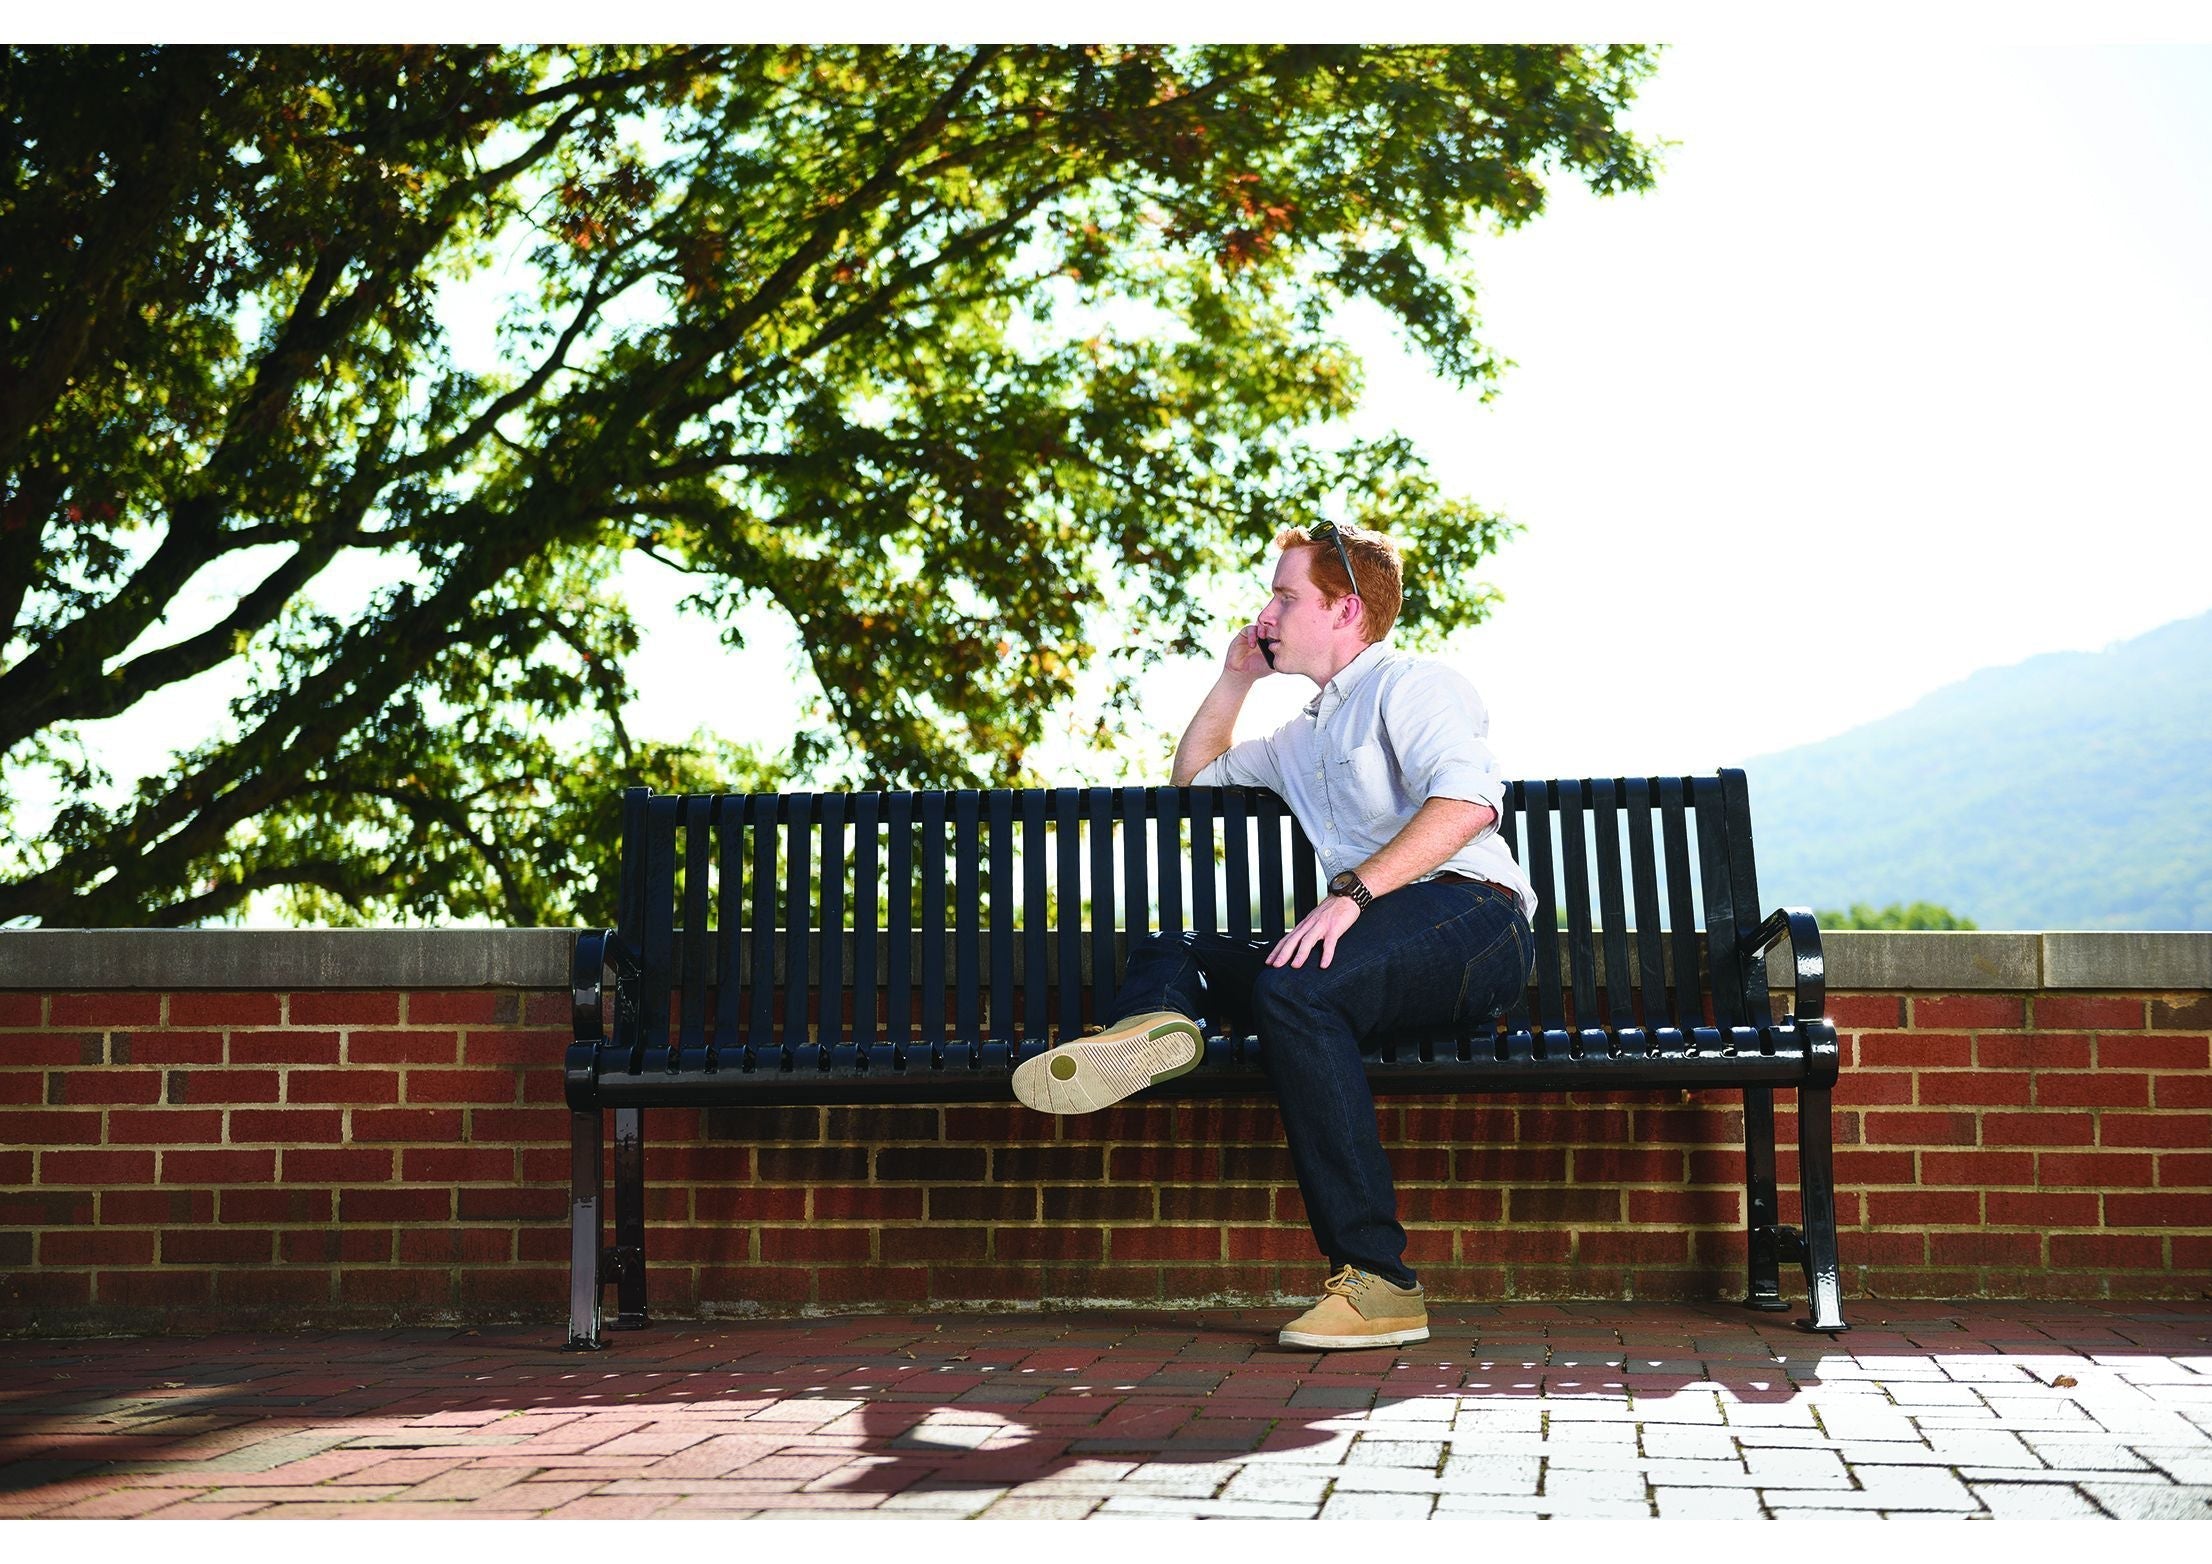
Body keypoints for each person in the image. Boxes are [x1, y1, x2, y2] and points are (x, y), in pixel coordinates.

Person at [1011, 522, 1537, 1350]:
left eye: (1286, 596)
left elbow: (1469, 802)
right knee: (1178, 946)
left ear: (1346, 610)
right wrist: (1235, 677)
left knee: (1294, 990)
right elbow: (1191, 779)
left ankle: (1381, 1283)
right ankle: (1154, 1029)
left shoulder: (1413, 683)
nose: (1266, 611)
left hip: (1472, 923)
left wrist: (1353, 893)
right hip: (1376, 945)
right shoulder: (1304, 735)